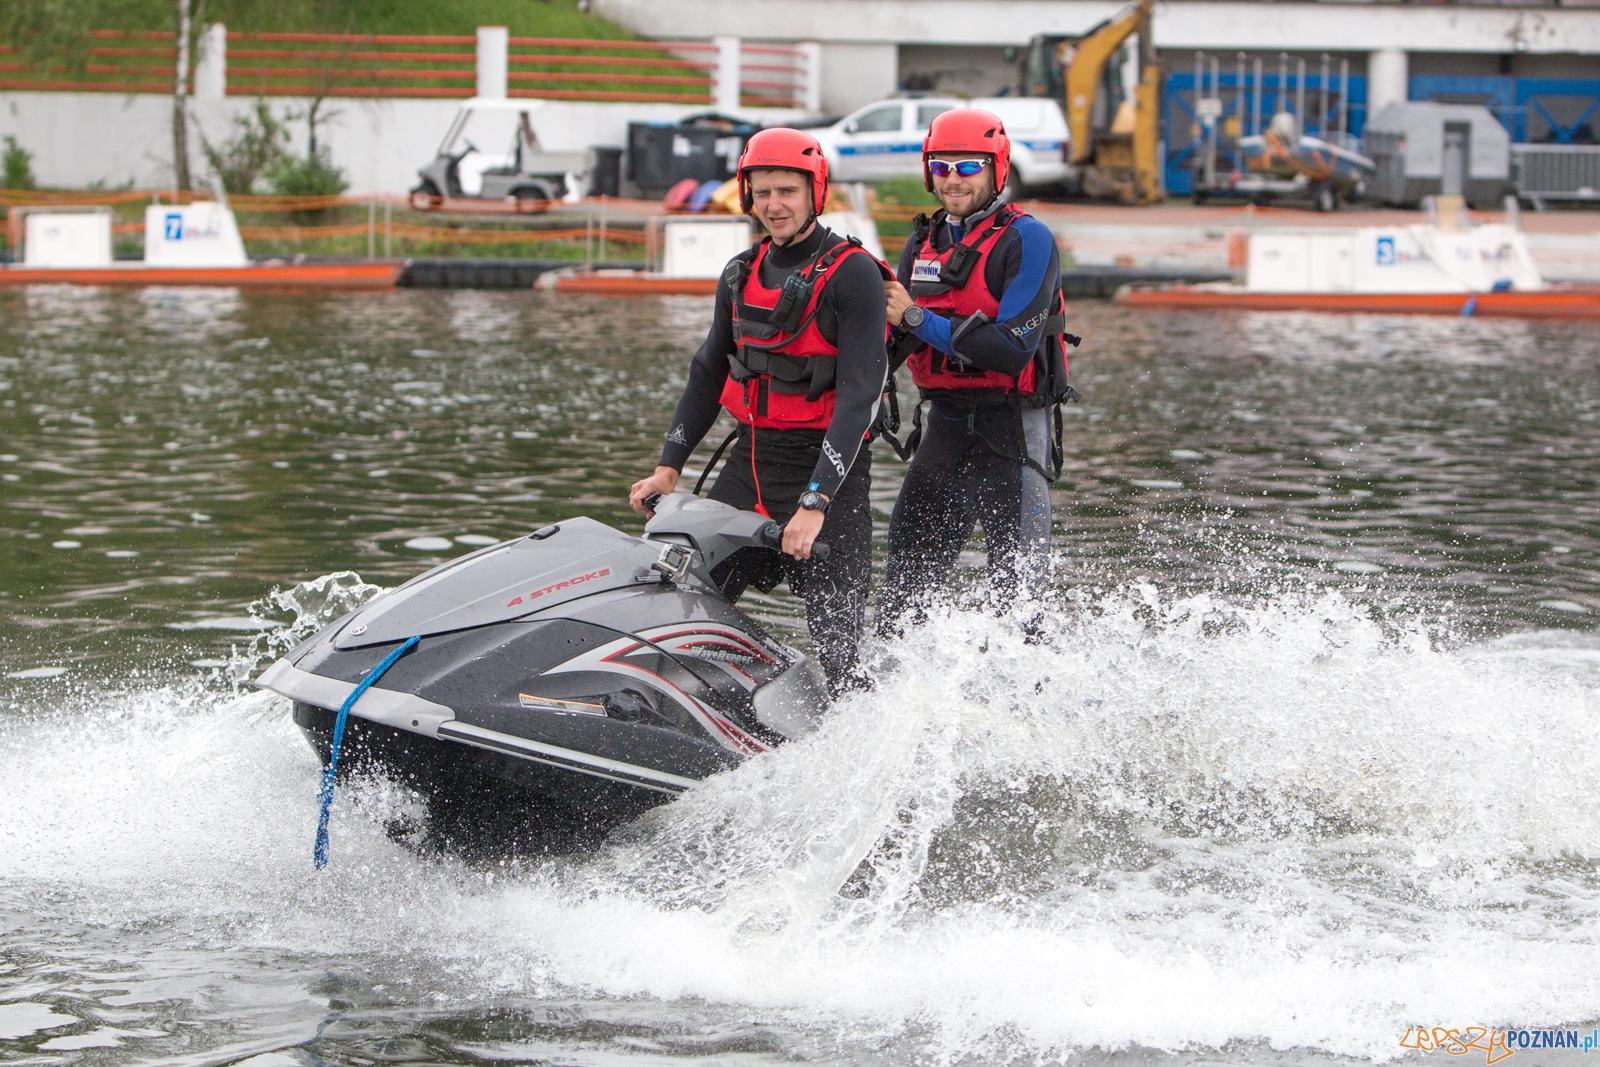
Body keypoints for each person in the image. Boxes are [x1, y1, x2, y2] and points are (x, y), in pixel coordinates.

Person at [628, 127, 889, 697]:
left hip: (828, 472)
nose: (774, 204)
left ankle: (856, 737)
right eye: (762, 191)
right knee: (684, 603)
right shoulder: (737, 272)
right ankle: (688, 712)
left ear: (814, 192)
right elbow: (707, 371)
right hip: (748, 462)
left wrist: (815, 503)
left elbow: (859, 395)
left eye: (788, 191)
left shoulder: (855, 274)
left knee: (840, 644)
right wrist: (669, 467)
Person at [875, 108, 1075, 636]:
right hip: (943, 427)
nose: (953, 179)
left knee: (1018, 601)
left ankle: (1031, 700)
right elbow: (892, 341)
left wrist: (917, 317)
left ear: (996, 169)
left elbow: (1011, 350)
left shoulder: (1028, 240)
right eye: (941, 167)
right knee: (902, 592)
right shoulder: (923, 243)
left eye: (967, 167)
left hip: (1011, 433)